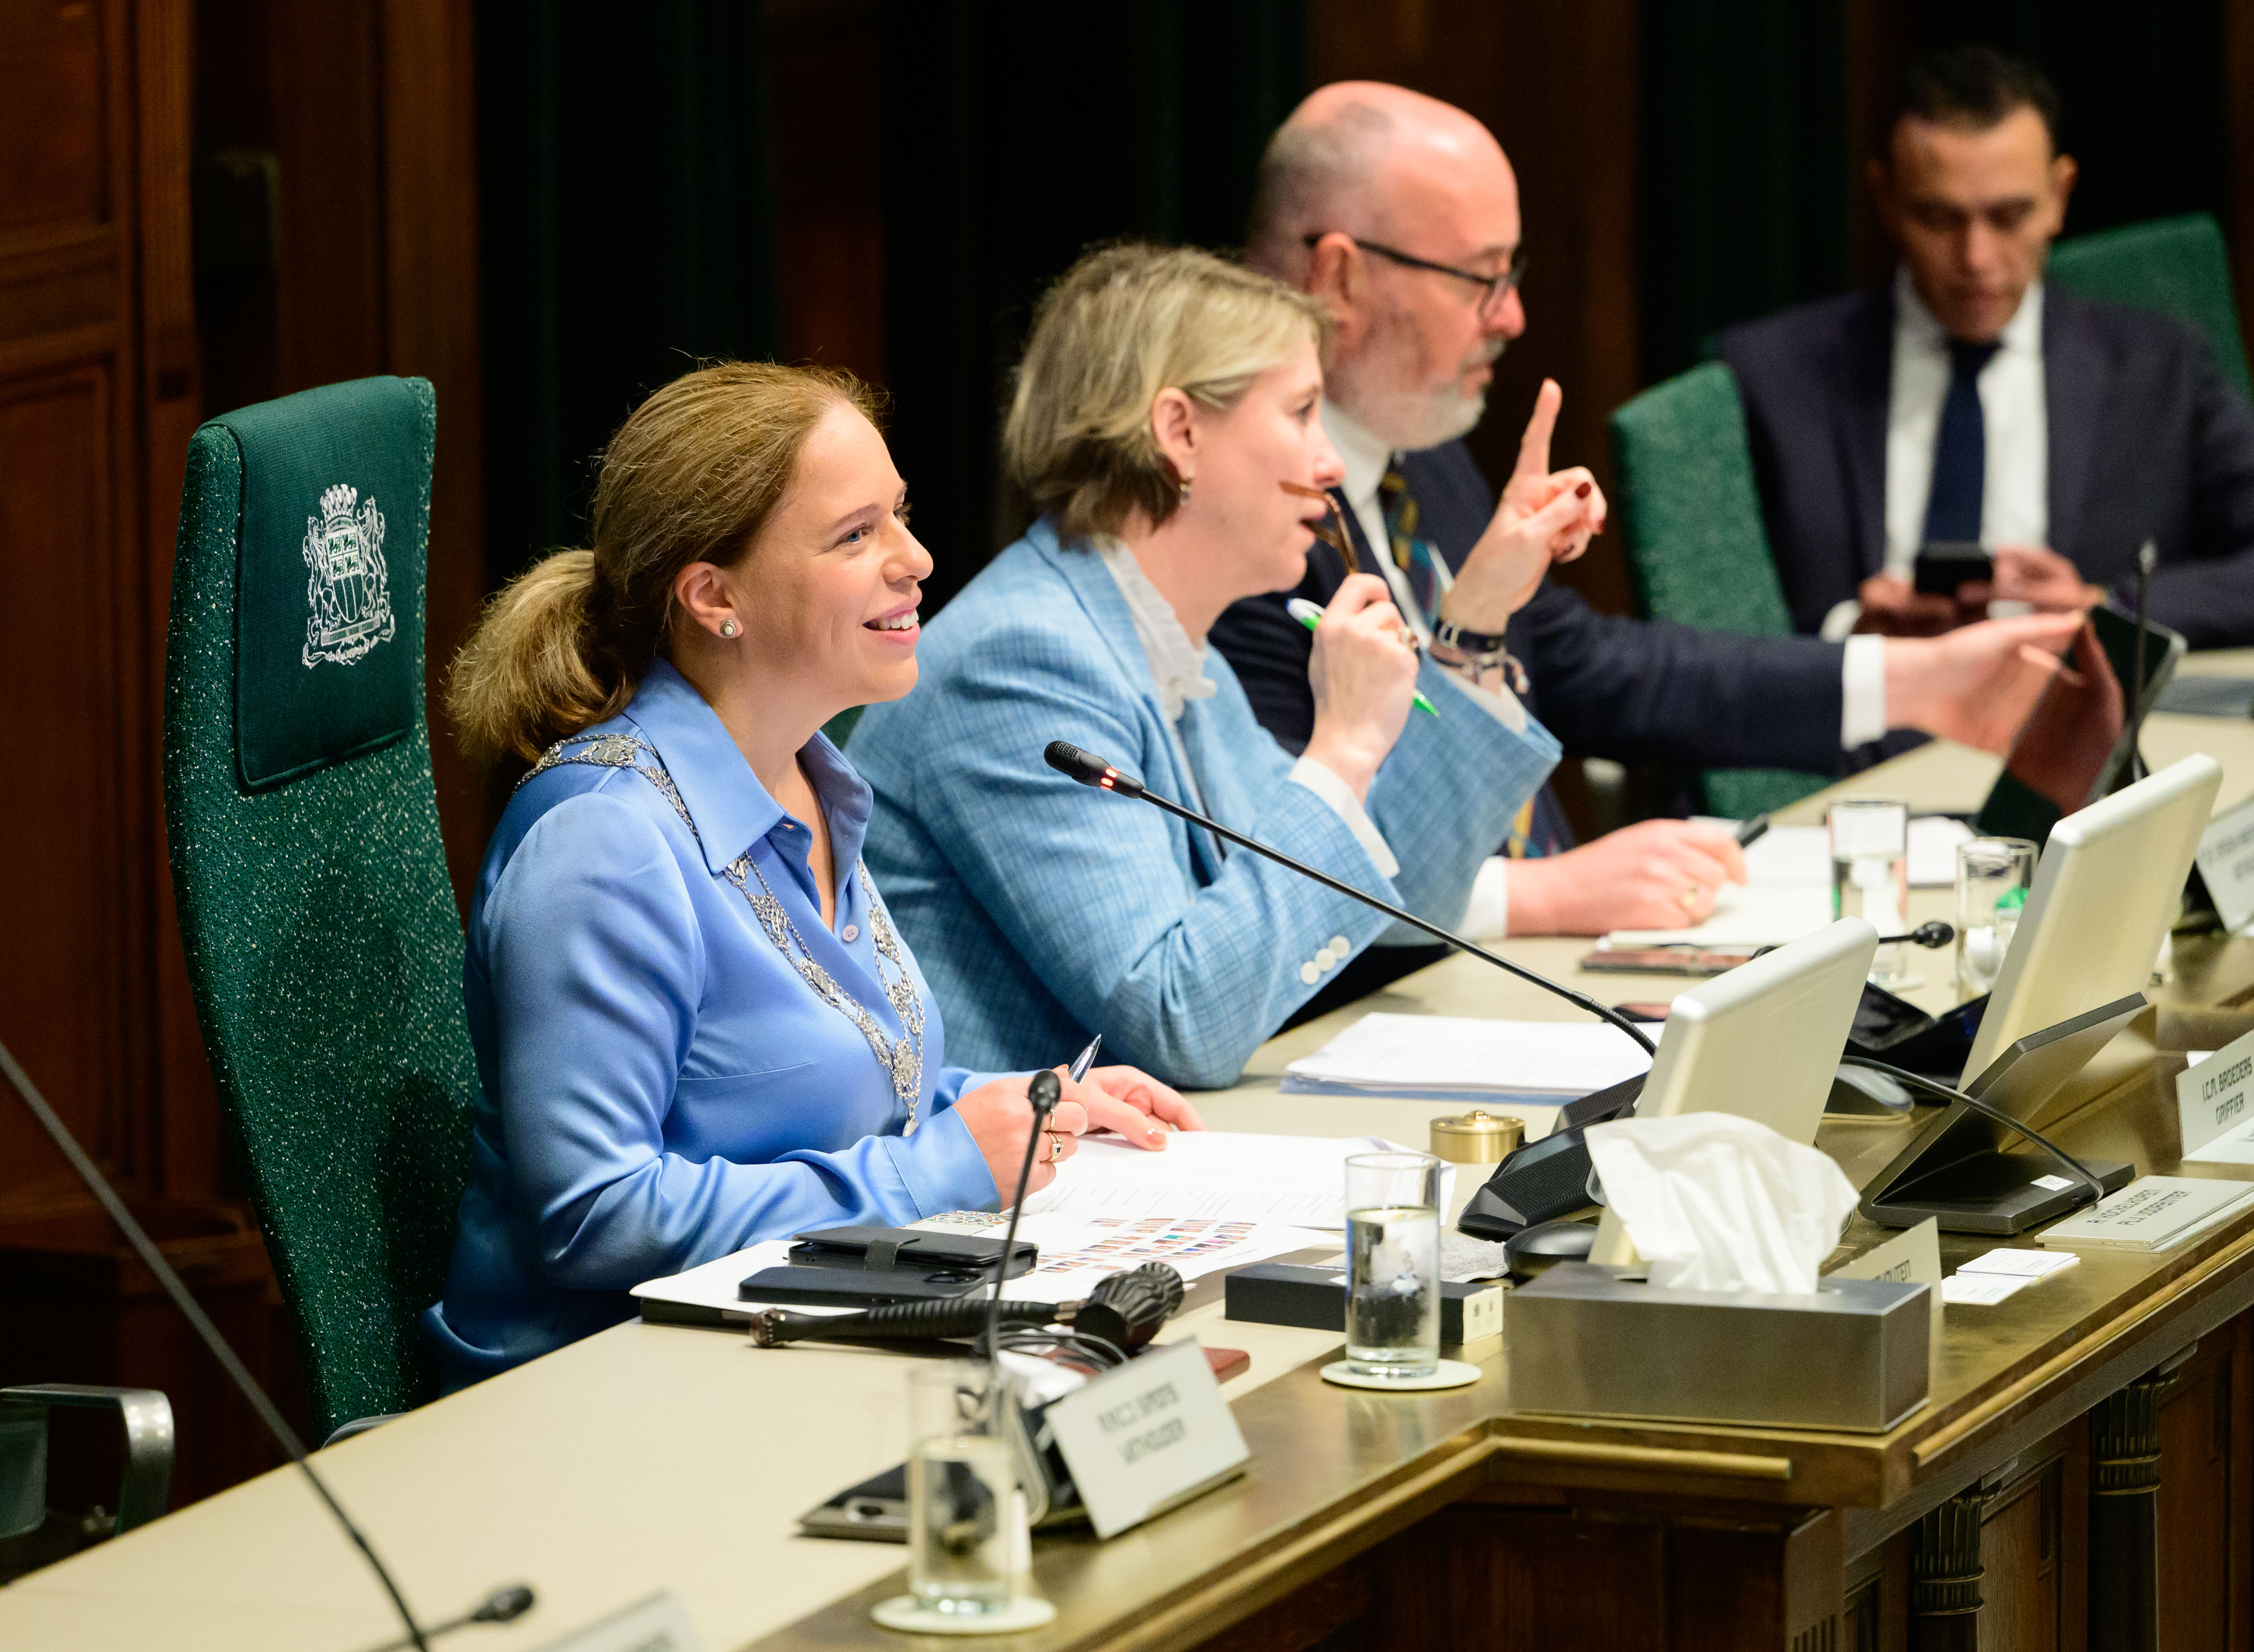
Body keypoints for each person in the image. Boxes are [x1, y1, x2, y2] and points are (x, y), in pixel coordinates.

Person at [422, 363, 1200, 1386]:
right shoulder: (601, 842)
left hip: (775, 1348)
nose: (916, 559)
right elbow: (594, 1217)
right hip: (595, 1393)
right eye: (855, 535)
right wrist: (942, 1164)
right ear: (715, 596)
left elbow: (826, 1091)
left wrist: (1032, 1104)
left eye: (900, 516)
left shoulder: (808, 779)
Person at [1212, 81, 2085, 941]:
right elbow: (1270, 873)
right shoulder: (1237, 516)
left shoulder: (1415, 444)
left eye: (1511, 274)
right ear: (1340, 276)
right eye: (1480, 278)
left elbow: (1588, 665)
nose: (1512, 315)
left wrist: (1921, 681)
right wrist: (1537, 895)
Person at [851, 244, 1600, 1088]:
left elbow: (1400, 899)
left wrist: (1477, 616)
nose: (1330, 463)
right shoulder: (1025, 659)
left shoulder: (1166, 642)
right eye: (1303, 412)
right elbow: (1178, 1021)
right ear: (1180, 433)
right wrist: (1343, 747)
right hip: (1006, 1167)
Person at [1724, 44, 2254, 649]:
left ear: (2060, 196)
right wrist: (1851, 637)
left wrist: (2105, 609)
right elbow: (1708, 626)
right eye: (1939, 219)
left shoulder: (2163, 370)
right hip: (1866, 700)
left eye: (2008, 217)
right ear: (1887, 200)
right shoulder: (1770, 377)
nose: (1977, 259)